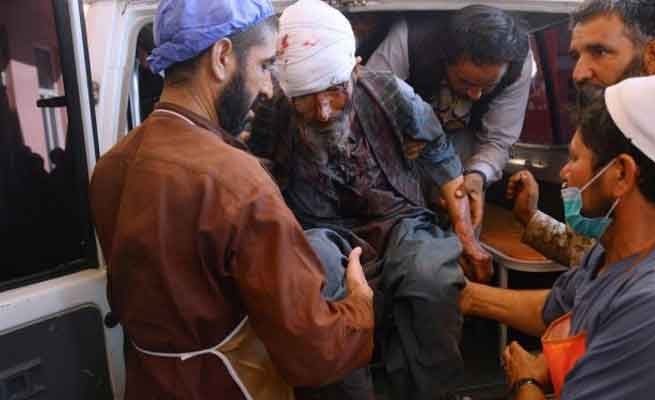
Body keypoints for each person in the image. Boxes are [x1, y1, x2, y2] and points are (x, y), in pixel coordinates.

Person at [89, 1, 375, 399]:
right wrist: (360, 305)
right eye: (264, 65)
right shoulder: (237, 181)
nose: (269, 88)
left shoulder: (110, 166)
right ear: (222, 57)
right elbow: (315, 350)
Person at [264, 1, 493, 398]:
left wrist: (467, 237)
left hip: (400, 220)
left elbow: (440, 155)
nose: (322, 111)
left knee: (431, 277)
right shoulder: (269, 114)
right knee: (316, 276)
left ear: (355, 69)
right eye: (306, 97)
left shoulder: (390, 92)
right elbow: (256, 184)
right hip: (319, 229)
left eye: (334, 90)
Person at [466, 75, 655, 399]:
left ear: (621, 174)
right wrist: (468, 296)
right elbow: (557, 308)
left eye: (575, 158)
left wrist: (527, 381)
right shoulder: (612, 249)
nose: (564, 171)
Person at [508, 0, 655, 267]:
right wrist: (531, 219)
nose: (578, 74)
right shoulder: (613, 135)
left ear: (652, 56)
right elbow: (605, 255)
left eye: (599, 52)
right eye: (576, 56)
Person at [367, 5, 533, 230]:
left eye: (488, 86)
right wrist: (393, 138)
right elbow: (366, 105)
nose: (475, 95)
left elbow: (498, 140)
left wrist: (478, 175)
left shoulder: (518, 64)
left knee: (463, 222)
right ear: (445, 59)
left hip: (466, 142)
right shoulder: (408, 40)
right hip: (397, 149)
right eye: (465, 81)